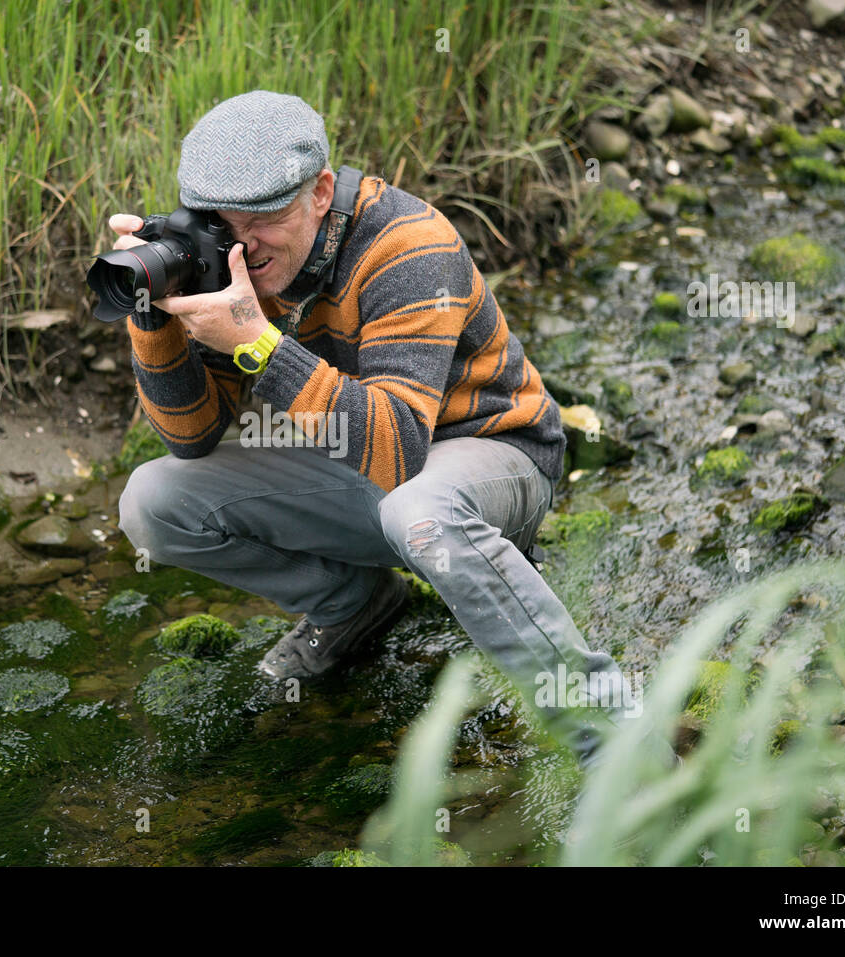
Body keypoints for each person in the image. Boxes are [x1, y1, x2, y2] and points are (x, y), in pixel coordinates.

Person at [111, 90, 667, 771]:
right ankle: (354, 603)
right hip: (360, 464)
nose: (244, 244)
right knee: (153, 499)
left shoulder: (409, 245)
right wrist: (153, 314)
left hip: (493, 455)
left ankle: (617, 749)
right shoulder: (229, 261)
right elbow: (190, 437)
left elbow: (399, 450)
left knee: (419, 508)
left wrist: (256, 341)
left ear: (320, 190)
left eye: (264, 217)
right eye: (222, 221)